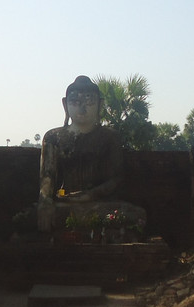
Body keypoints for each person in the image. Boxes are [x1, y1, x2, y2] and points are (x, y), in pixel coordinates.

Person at [36, 75, 130, 233]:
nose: (82, 109)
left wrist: (89, 195)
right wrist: (45, 202)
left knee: (133, 214)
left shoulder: (110, 137)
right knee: (32, 215)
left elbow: (116, 179)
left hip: (98, 204)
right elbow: (47, 177)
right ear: (65, 105)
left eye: (89, 102)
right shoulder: (53, 137)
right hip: (64, 203)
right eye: (75, 102)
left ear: (100, 105)